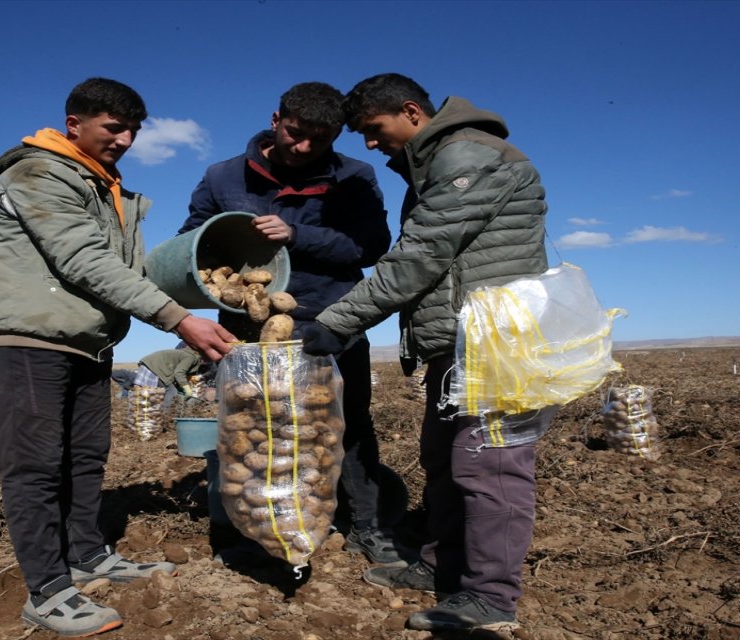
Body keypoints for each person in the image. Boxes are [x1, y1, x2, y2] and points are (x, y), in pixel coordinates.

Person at [0, 77, 237, 637]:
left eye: (133, 130)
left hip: (87, 341)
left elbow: (128, 272)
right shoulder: (38, 174)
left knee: (87, 455)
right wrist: (178, 319)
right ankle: (46, 588)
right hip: (29, 339)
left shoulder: (103, 187)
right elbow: (83, 261)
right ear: (75, 124)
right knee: (36, 465)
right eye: (114, 127)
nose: (125, 139)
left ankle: (87, 554)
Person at [301, 73, 550, 634]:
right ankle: (441, 566)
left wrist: (336, 323)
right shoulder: (437, 160)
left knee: (490, 469)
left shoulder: (466, 155)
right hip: (459, 342)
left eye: (372, 129)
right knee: (443, 459)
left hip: (497, 342)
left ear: (411, 111)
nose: (368, 143)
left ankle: (490, 599)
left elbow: (420, 256)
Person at [179, 82, 406, 565]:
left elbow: (370, 246)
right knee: (253, 428)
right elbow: (192, 239)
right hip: (248, 329)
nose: (303, 148)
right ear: (277, 119)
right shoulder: (224, 176)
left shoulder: (355, 176)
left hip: (332, 320)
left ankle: (365, 525)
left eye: (319, 140)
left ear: (336, 137)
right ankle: (254, 527)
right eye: (296, 134)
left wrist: (297, 235)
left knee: (348, 425)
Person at [134, 347, 209, 409]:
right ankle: (167, 416)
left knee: (165, 393)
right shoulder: (191, 358)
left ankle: (161, 412)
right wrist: (187, 388)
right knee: (172, 392)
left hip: (153, 365)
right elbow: (179, 373)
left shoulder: (189, 356)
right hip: (155, 367)